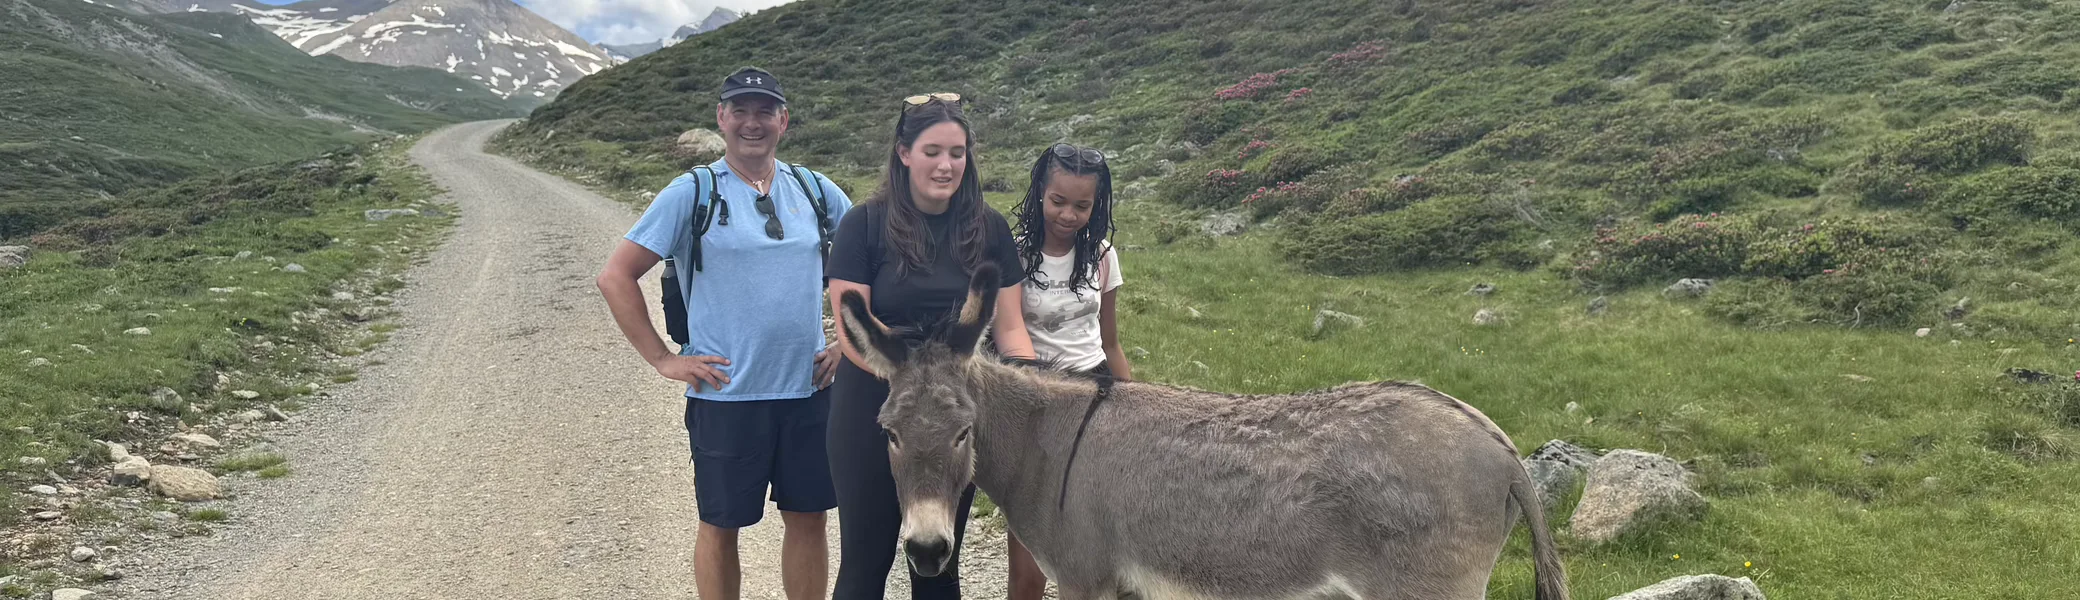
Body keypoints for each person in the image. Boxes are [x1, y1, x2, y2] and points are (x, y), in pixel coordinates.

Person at [596, 66, 850, 600]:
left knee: (809, 520)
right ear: (721, 118)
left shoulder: (816, 190)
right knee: (720, 524)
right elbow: (615, 276)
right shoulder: (693, 191)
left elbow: (868, 268)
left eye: (764, 112)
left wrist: (846, 344)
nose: (751, 123)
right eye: (740, 110)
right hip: (726, 394)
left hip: (808, 391)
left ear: (784, 120)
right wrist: (664, 359)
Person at [824, 93, 1039, 600]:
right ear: (903, 153)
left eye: (957, 153)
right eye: (932, 151)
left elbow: (1009, 329)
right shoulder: (864, 225)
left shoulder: (989, 227)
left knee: (941, 567)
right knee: (864, 562)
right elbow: (853, 326)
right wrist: (914, 385)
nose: (946, 165)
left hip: (952, 413)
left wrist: (1035, 398)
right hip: (874, 403)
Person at [1000, 142, 1133, 600]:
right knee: (1031, 560)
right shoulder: (1013, 255)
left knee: (1098, 548)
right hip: (1036, 403)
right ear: (1040, 192)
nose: (1068, 214)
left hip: (1097, 399)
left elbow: (1110, 341)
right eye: (1059, 201)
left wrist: (1137, 407)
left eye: (1082, 205)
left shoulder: (1102, 254)